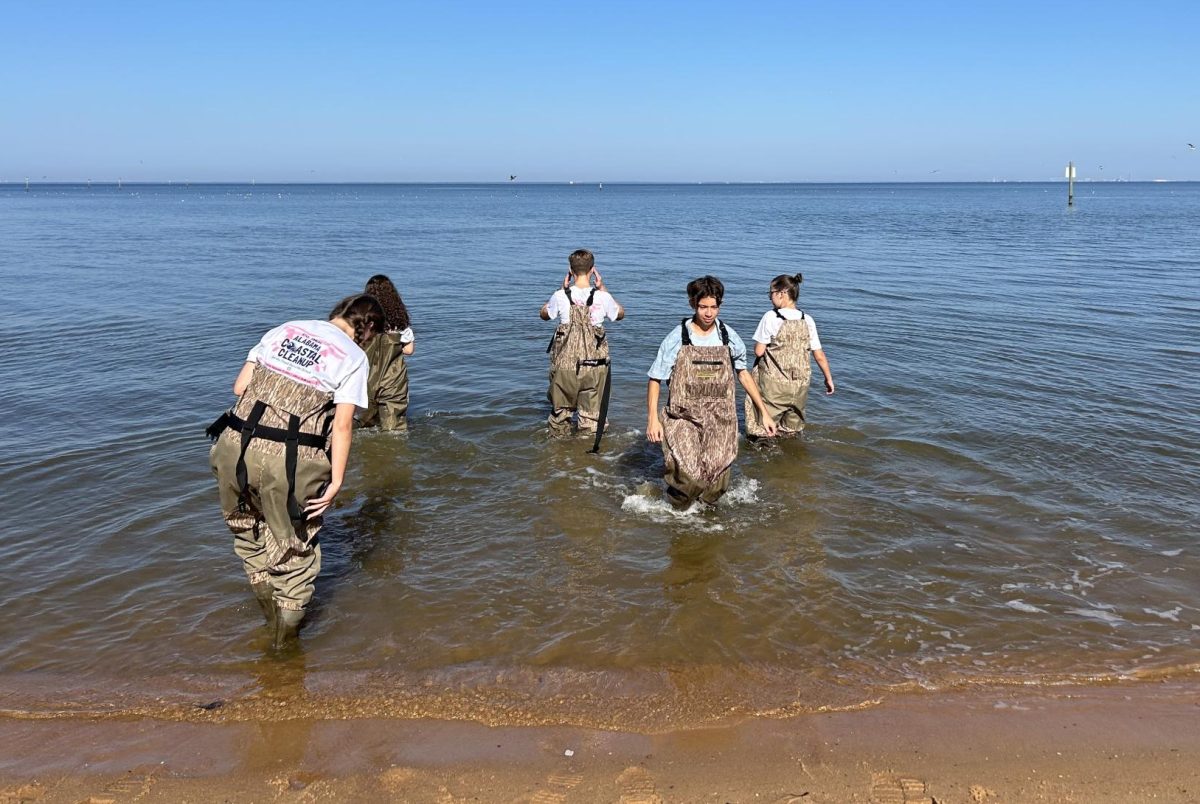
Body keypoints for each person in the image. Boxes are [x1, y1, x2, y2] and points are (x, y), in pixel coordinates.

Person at [207, 294, 384, 649]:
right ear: (368, 333)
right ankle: (283, 649)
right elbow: (344, 425)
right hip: (287, 458)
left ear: (335, 313)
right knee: (294, 551)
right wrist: (336, 480)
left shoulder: (285, 329)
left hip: (232, 445)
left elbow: (240, 387)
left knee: (248, 536)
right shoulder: (353, 357)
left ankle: (269, 624)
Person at [646, 275, 776, 506]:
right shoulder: (678, 337)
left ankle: (705, 521)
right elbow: (656, 378)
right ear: (692, 305)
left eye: (713, 307)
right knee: (689, 478)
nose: (708, 313)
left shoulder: (728, 337)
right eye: (703, 307)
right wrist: (653, 420)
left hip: (721, 418)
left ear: (720, 305)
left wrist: (763, 412)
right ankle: (675, 514)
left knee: (716, 484)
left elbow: (743, 374)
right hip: (682, 416)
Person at [539, 249, 624, 437]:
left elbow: (544, 314)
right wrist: (603, 288)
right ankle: (586, 460)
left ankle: (558, 459)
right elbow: (620, 314)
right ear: (593, 270)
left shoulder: (560, 295)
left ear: (570, 270)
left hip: (565, 366)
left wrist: (563, 289)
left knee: (560, 415)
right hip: (594, 367)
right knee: (592, 420)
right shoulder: (603, 297)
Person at [744, 273, 835, 437]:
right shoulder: (807, 319)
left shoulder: (771, 316)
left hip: (775, 385)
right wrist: (828, 378)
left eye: (771, 293)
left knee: (763, 431)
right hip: (800, 385)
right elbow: (819, 354)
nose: (770, 298)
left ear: (782, 292)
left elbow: (759, 351)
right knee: (791, 432)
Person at [360, 274, 415, 431]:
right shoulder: (400, 322)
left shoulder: (363, 322)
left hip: (366, 379)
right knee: (394, 429)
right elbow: (409, 350)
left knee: (362, 424)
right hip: (393, 380)